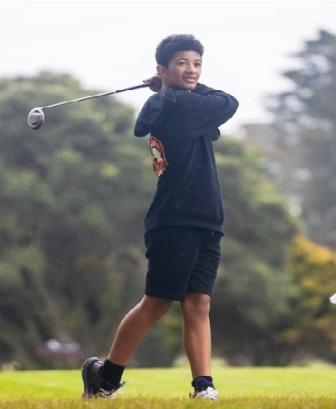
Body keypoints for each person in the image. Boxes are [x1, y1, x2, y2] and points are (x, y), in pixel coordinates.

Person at [82, 33, 239, 400]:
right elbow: (227, 102)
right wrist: (166, 89)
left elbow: (219, 105)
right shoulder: (167, 107)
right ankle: (105, 376)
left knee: (199, 303)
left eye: (197, 64)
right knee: (157, 303)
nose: (192, 70)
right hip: (173, 219)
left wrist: (173, 85)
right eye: (182, 63)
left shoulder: (183, 104)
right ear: (162, 69)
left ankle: (204, 386)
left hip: (207, 219)